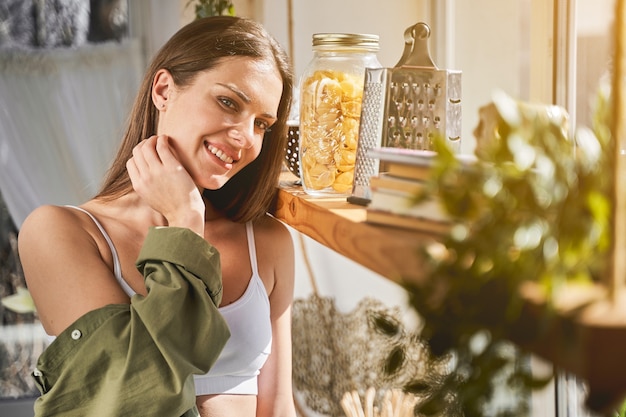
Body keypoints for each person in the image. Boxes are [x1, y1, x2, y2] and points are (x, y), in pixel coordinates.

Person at [18, 15, 296, 417]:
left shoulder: (267, 241)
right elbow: (132, 397)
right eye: (228, 102)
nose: (245, 138)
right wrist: (185, 221)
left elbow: (278, 406)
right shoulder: (58, 232)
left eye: (262, 124)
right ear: (164, 90)